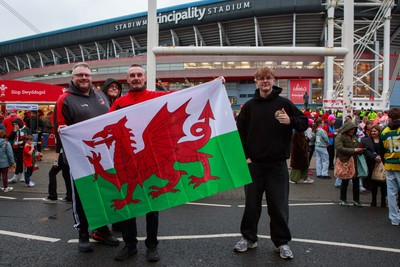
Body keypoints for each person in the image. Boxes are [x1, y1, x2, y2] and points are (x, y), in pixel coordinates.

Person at [234, 66, 308, 260]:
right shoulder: (249, 106)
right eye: (261, 78)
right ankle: (249, 238)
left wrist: (290, 120)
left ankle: (281, 242)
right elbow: (239, 132)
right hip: (254, 165)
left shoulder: (285, 103)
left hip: (277, 166)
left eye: (268, 78)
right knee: (251, 205)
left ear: (274, 80)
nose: (264, 81)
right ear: (256, 82)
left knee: (279, 206)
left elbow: (304, 122)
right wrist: (245, 156)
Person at [109, 64, 172, 262]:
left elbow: (187, 95)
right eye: (132, 75)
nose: (136, 78)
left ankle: (152, 246)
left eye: (139, 75)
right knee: (129, 204)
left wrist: (212, 85)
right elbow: (104, 125)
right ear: (127, 80)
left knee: (152, 206)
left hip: (149, 160)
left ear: (144, 78)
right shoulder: (119, 103)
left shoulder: (156, 96)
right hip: (128, 163)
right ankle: (130, 245)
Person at [55, 62, 119, 252]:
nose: (84, 78)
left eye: (87, 75)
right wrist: (62, 132)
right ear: (72, 78)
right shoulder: (64, 99)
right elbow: (60, 128)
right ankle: (83, 233)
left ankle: (101, 231)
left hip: (103, 158)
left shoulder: (101, 97)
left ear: (91, 77)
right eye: (79, 75)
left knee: (104, 195)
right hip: (79, 159)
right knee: (83, 198)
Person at [335, 121, 364, 207]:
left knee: (356, 182)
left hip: (354, 161)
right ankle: (343, 199)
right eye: (351, 129)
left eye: (354, 129)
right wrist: (353, 150)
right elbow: (339, 148)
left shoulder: (354, 137)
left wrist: (360, 150)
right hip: (345, 161)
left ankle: (356, 200)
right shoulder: (340, 137)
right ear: (347, 128)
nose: (353, 130)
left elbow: (358, 145)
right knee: (345, 181)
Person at [379, 108, 400, 225]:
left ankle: (394, 218)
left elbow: (381, 150)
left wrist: (385, 161)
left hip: (389, 164)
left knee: (391, 193)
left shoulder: (384, 131)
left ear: (390, 118)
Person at [361, 125, 386, 207]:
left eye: (375, 131)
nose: (373, 132)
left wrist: (381, 157)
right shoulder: (365, 140)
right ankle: (373, 201)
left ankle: (383, 201)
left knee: (383, 184)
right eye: (372, 131)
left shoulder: (383, 140)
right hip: (371, 164)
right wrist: (374, 157)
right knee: (373, 184)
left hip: (383, 164)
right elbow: (366, 151)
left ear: (379, 131)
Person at [43, 134, 72, 202]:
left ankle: (53, 195)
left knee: (52, 173)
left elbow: (58, 148)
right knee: (66, 176)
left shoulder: (60, 134)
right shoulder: (67, 134)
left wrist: (55, 161)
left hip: (62, 156)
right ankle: (69, 195)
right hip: (67, 156)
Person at [7, 118, 31, 183]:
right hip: (15, 148)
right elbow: (10, 138)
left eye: (16, 124)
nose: (15, 126)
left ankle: (15, 176)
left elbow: (30, 138)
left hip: (23, 148)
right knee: (19, 162)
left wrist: (23, 141)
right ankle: (21, 175)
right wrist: (14, 131)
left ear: (20, 123)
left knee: (19, 162)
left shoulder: (26, 129)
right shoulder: (15, 129)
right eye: (14, 124)